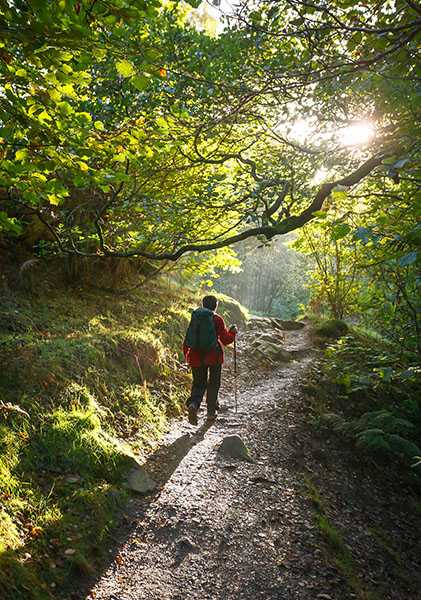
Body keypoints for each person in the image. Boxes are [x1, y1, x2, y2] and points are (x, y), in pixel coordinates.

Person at [183, 295, 237, 425]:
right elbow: (225, 340)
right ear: (215, 306)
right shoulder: (217, 319)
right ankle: (211, 413)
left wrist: (187, 357)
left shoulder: (195, 317)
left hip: (196, 357)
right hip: (214, 357)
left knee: (198, 384)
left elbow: (188, 339)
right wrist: (233, 332)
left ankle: (194, 405)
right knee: (214, 384)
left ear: (203, 304)